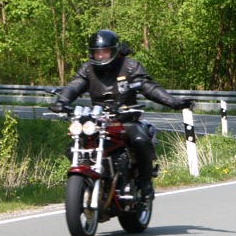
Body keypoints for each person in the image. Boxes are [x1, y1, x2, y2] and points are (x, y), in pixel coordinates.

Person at [49, 30, 193, 200]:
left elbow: (148, 87)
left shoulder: (130, 66)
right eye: (97, 52)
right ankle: (90, 180)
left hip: (126, 118)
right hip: (99, 120)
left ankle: (144, 182)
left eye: (104, 52)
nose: (100, 56)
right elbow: (75, 85)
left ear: (114, 51)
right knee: (73, 146)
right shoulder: (88, 69)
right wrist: (62, 101)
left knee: (140, 141)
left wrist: (173, 102)